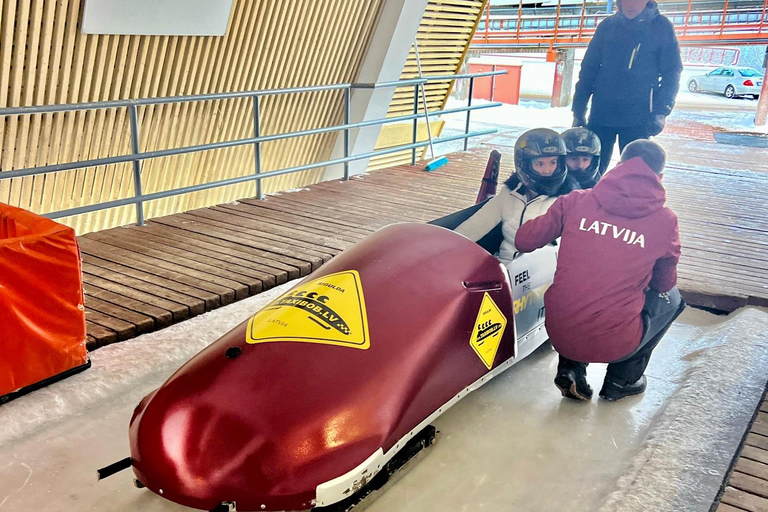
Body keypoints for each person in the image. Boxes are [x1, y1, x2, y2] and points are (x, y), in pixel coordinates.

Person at [515, 140, 685, 402]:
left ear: (618, 166)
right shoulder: (665, 221)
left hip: (559, 331)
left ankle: (571, 368)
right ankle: (622, 380)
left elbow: (524, 240)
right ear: (659, 177)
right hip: (617, 340)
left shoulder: (575, 201)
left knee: (584, 284)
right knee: (672, 300)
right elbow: (664, 284)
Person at [572, 0, 683, 175]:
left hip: (638, 117)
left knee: (634, 175)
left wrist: (662, 111)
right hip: (602, 114)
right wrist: (578, 110)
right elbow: (588, 70)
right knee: (589, 173)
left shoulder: (661, 27)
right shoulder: (607, 26)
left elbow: (672, 72)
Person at [454, 128, 580, 266]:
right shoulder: (510, 193)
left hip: (541, 275)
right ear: (524, 164)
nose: (547, 170)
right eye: (539, 164)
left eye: (553, 162)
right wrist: (446, 245)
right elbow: (478, 224)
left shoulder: (567, 202)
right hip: (503, 268)